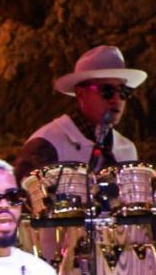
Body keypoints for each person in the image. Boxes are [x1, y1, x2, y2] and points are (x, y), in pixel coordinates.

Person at [15, 45, 147, 181]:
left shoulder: (127, 149)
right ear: (81, 93)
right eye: (107, 90)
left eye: (123, 91)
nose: (116, 99)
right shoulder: (48, 142)